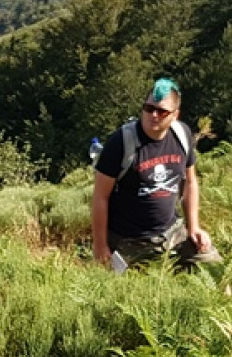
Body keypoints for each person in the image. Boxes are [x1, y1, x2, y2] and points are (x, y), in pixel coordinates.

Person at [91, 78, 221, 270]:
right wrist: (100, 246)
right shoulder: (121, 142)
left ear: (175, 115)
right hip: (128, 240)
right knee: (127, 294)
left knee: (214, 269)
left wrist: (193, 227)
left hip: (172, 232)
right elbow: (100, 197)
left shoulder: (182, 136)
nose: (153, 115)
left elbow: (191, 182)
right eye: (148, 108)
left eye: (162, 111)